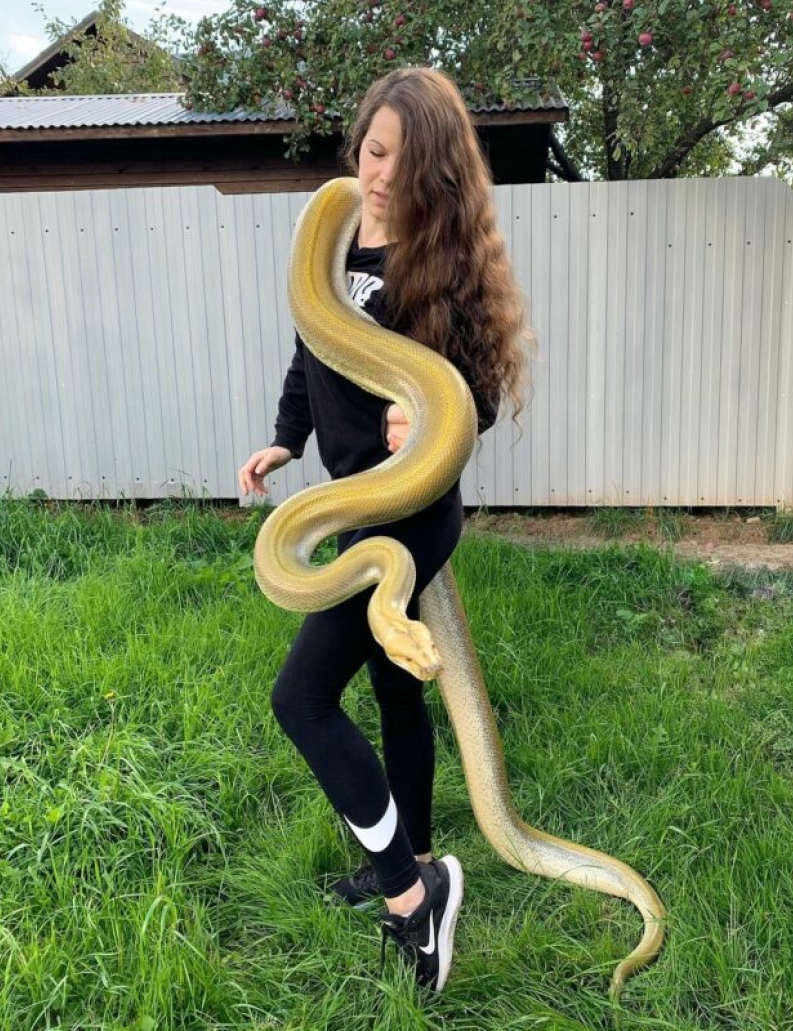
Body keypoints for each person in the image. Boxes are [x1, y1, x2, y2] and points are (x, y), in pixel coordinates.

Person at [238, 66, 530, 993]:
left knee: (302, 699)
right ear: (358, 144)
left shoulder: (439, 259)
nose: (378, 178)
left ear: (434, 175)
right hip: (350, 494)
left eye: (401, 166)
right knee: (400, 699)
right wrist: (287, 439)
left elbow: (473, 390)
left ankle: (414, 897)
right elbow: (309, 342)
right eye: (372, 153)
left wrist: (432, 420)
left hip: (408, 514)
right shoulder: (333, 235)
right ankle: (402, 850)